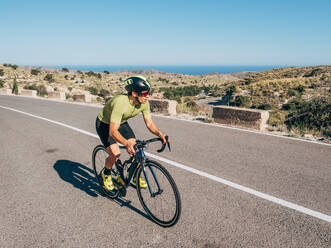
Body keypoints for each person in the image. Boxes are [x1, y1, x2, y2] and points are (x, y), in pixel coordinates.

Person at [95, 76, 168, 191]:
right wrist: (126, 143)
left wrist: (160, 134)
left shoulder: (144, 103)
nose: (147, 96)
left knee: (137, 150)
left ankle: (134, 175)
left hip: (121, 123)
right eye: (144, 94)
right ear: (134, 93)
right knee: (115, 153)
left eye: (148, 93)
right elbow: (113, 131)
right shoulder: (120, 103)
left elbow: (149, 123)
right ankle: (106, 173)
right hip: (105, 124)